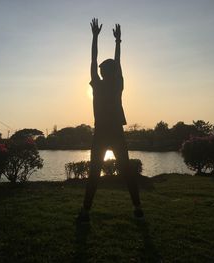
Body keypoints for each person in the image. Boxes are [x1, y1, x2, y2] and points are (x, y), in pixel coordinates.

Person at [77, 18, 143, 222]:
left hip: (105, 132)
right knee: (125, 171)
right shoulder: (116, 84)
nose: (101, 70)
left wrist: (96, 37)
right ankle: (137, 209)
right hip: (112, 132)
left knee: (96, 173)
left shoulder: (101, 83)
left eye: (103, 69)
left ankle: (86, 212)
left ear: (104, 72)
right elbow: (106, 62)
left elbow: (94, 61)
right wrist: (116, 42)